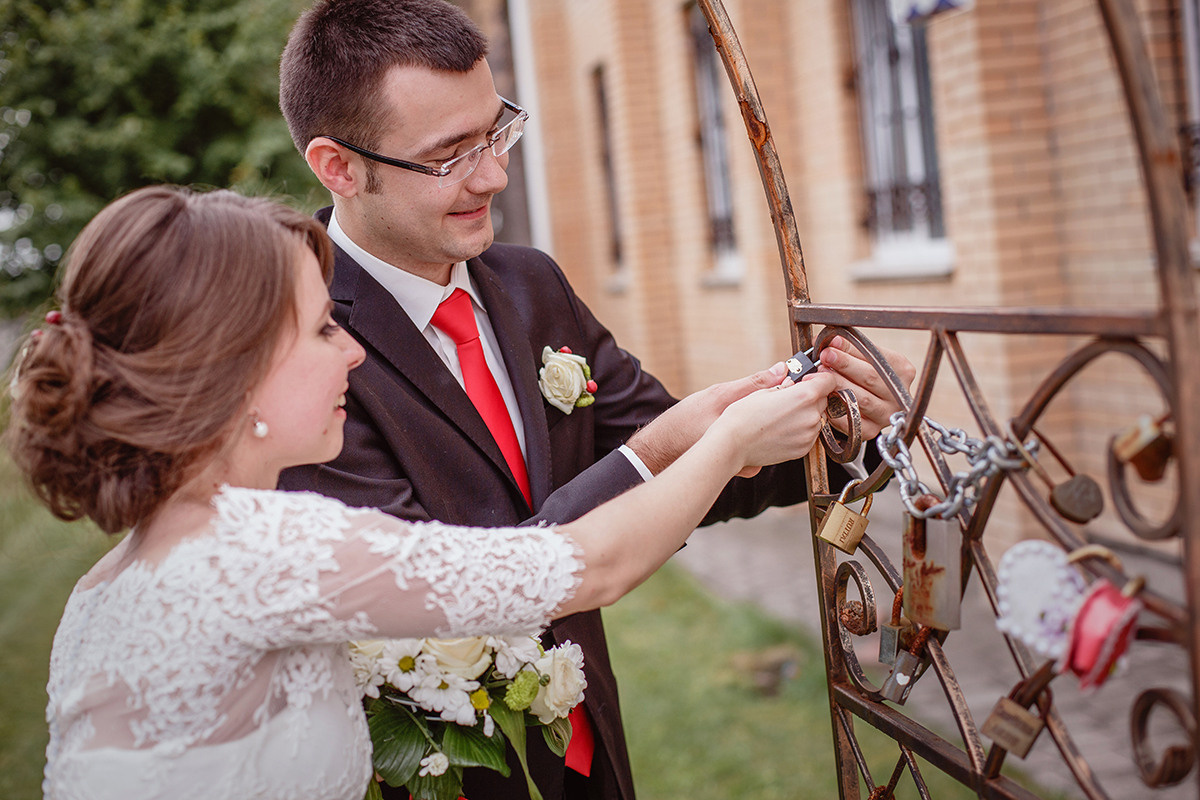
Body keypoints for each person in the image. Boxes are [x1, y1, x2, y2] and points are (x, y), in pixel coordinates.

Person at [9, 185, 838, 800]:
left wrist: (709, 431)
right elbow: (583, 569)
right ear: (238, 373)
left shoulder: (111, 585)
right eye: (322, 329)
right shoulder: (262, 549)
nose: (353, 352)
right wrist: (725, 439)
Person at [276, 2, 915, 799]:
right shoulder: (295, 341)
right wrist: (664, 452)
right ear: (337, 166)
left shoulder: (528, 285)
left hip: (589, 754)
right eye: (449, 157)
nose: (493, 175)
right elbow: (441, 598)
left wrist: (841, 420)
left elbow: (685, 464)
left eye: (496, 131)